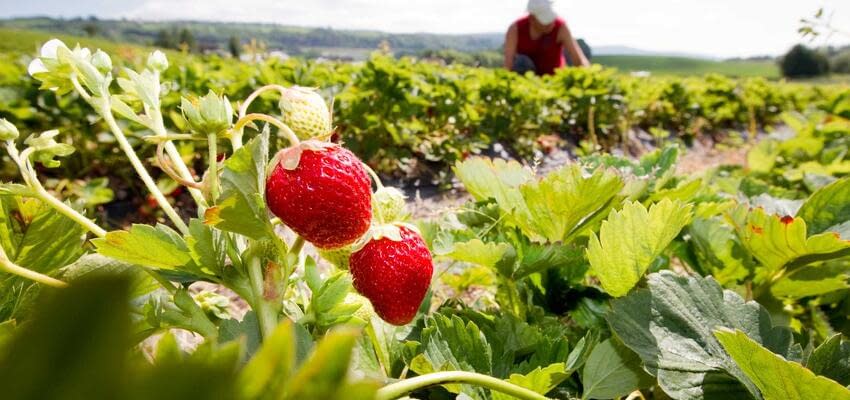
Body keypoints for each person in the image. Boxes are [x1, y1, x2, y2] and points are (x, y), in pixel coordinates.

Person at [504, 0, 589, 75]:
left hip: (554, 77)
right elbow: (508, 64)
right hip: (527, 79)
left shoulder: (560, 27)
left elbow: (579, 59)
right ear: (532, 19)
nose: (551, 24)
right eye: (545, 21)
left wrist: (590, 76)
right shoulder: (515, 29)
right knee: (521, 61)